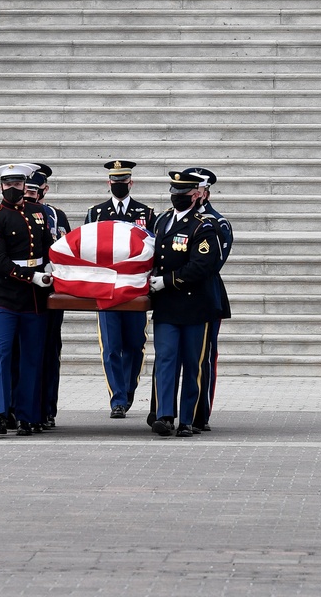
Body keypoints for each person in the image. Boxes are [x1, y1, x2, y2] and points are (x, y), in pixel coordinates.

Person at [0, 164, 53, 437]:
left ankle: (28, 416)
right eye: (7, 184)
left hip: (34, 298)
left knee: (32, 359)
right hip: (5, 297)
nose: (13, 188)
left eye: (17, 184)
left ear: (25, 185)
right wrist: (30, 276)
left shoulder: (39, 213)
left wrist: (50, 269)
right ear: (1, 186)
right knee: (1, 356)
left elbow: (48, 248)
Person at [148, 169, 223, 438]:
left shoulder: (204, 226)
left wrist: (168, 280)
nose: (177, 197)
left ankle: (188, 419)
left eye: (183, 194)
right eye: (174, 193)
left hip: (194, 306)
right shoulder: (163, 221)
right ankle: (165, 415)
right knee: (166, 359)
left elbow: (202, 266)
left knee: (193, 363)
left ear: (195, 195)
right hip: (167, 306)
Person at [85, 160, 157, 419]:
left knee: (135, 345)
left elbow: (153, 249)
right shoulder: (96, 213)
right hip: (106, 290)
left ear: (131, 183)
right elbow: (86, 251)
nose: (118, 186)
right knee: (111, 346)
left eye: (123, 182)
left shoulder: (145, 213)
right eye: (114, 182)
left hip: (135, 290)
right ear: (109, 183)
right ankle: (117, 398)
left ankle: (128, 390)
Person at [26, 164, 71, 429]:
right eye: (27, 190)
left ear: (45, 190)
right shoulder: (11, 213)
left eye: (35, 190)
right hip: (21, 289)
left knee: (48, 352)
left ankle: (46, 409)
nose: (31, 195)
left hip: (50, 292)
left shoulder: (56, 216)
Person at [190, 168, 233, 432]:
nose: (191, 195)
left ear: (205, 192)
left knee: (204, 357)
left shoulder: (218, 223)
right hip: (176, 297)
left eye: (196, 190)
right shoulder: (170, 220)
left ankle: (201, 412)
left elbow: (213, 263)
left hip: (206, 295)